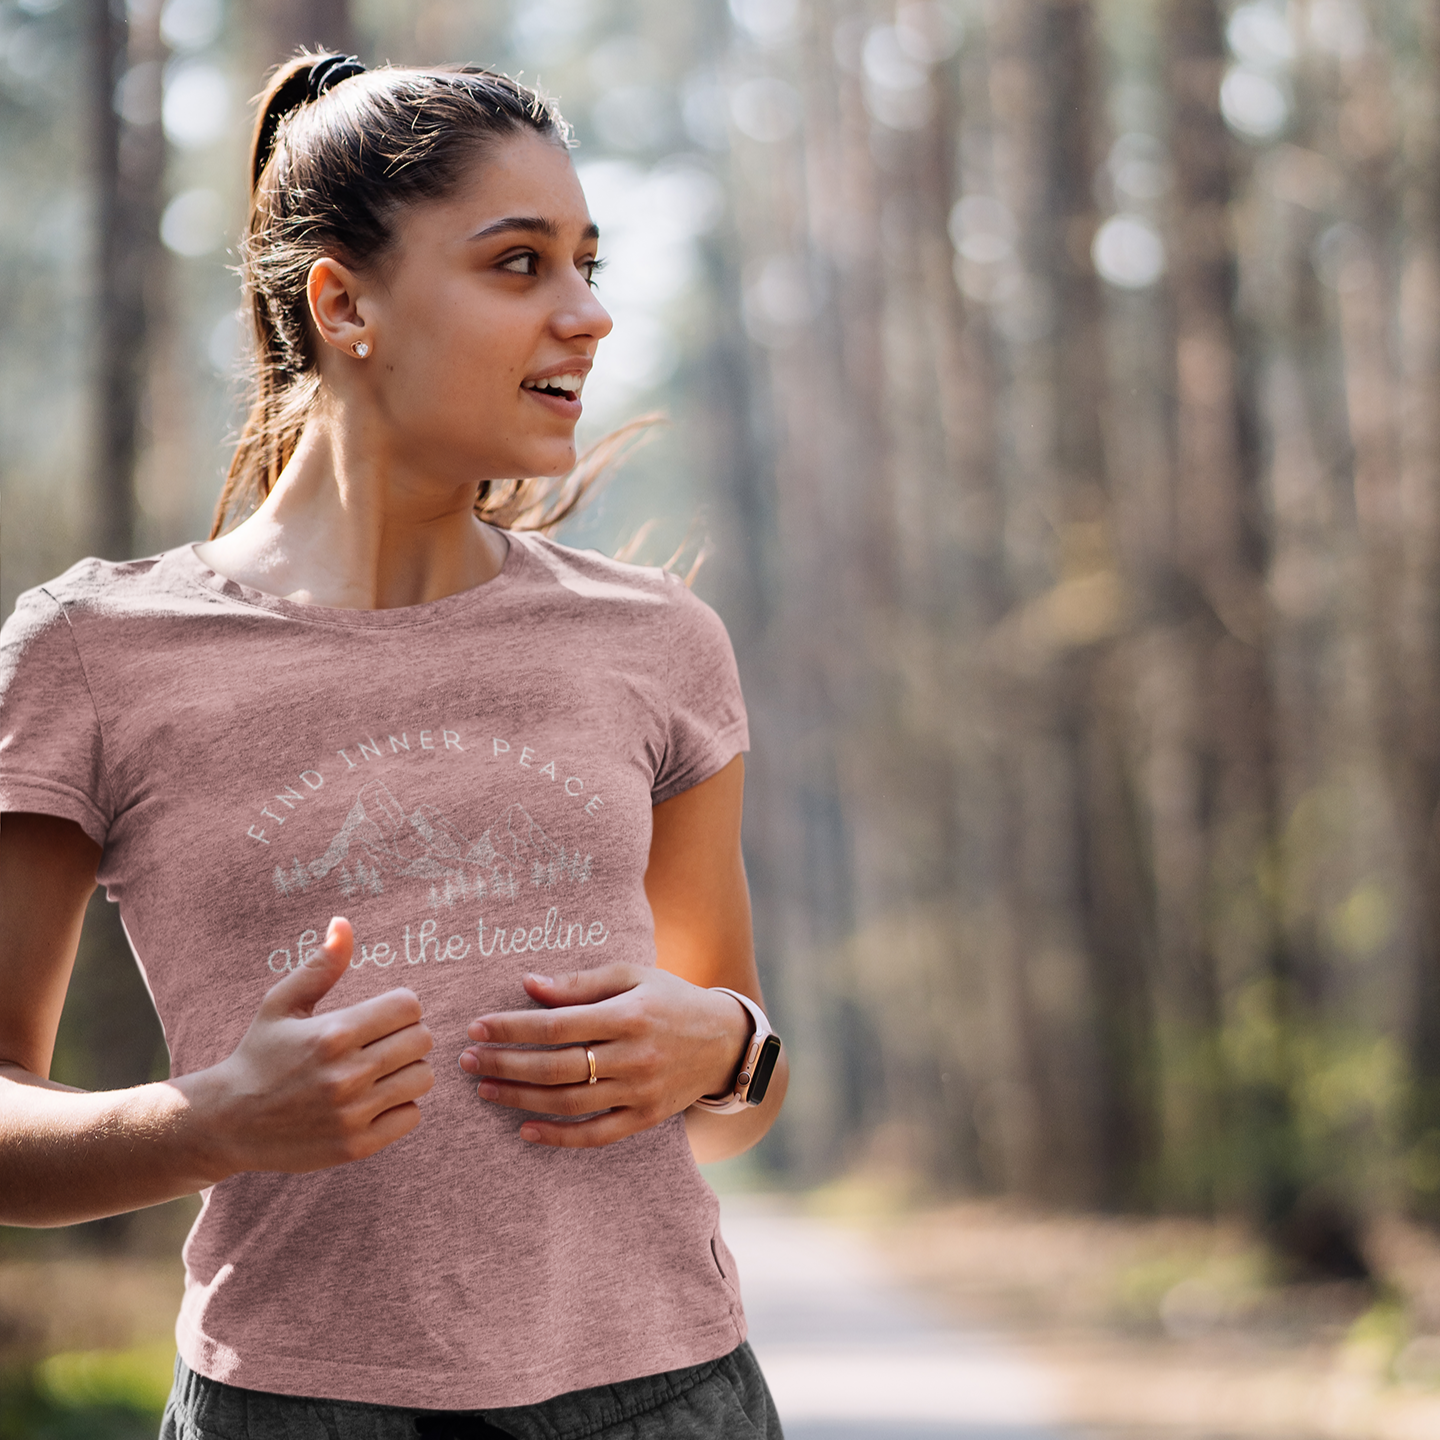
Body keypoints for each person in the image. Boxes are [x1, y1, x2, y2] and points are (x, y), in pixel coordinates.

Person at [0, 52, 788, 1440]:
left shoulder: (659, 641)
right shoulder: (92, 654)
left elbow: (733, 1098)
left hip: (666, 1399)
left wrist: (726, 1046)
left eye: (589, 263)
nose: (589, 313)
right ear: (344, 303)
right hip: (291, 1408)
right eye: (519, 263)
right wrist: (211, 1121)